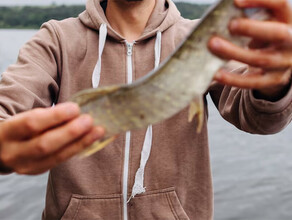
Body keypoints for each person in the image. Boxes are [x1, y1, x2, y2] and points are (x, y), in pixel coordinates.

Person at [0, 0, 291, 219]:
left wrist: (274, 81)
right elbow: (7, 107)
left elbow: (258, 117)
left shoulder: (194, 38)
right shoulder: (56, 39)